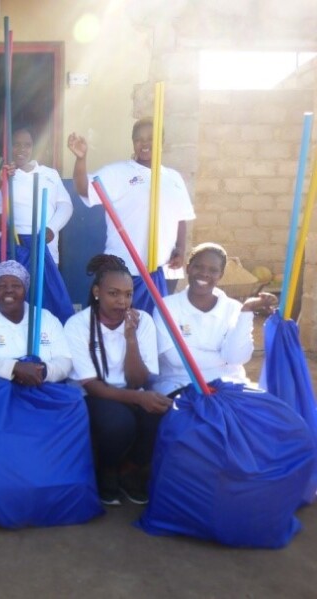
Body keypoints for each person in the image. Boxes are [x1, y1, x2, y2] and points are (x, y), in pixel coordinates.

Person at [64, 254, 171, 506]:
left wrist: (131, 339)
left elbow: (137, 380)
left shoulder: (141, 321)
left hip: (131, 389)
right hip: (94, 394)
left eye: (128, 294)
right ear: (97, 292)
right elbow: (90, 384)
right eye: (114, 293)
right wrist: (137, 398)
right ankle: (107, 468)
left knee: (161, 416)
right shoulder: (78, 325)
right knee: (118, 423)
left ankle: (130, 468)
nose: (122, 301)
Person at [67, 118, 196, 313]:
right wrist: (81, 159)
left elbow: (181, 216)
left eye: (151, 138)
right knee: (120, 327)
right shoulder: (118, 173)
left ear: (161, 141)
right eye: (139, 139)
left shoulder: (173, 178)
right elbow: (84, 189)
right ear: (133, 142)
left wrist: (180, 248)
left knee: (156, 327)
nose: (145, 144)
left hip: (163, 267)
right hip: (125, 270)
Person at [152, 243, 278, 396]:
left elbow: (237, 357)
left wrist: (246, 312)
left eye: (213, 270)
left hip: (230, 385)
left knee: (271, 416)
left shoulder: (234, 308)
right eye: (198, 267)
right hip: (181, 385)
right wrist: (224, 359)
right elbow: (176, 359)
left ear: (221, 275)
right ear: (188, 268)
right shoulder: (167, 307)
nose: (205, 274)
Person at [0, 126, 73, 271]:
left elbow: (65, 205)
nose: (22, 150)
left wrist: (52, 228)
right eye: (16, 144)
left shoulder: (50, 174)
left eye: (27, 145)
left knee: (41, 293)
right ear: (6, 145)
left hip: (44, 252)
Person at [0, 261, 71, 384]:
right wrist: (15, 368)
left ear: (25, 290)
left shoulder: (46, 318)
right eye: (1, 286)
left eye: (16, 286)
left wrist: (42, 371)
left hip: (43, 388)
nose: (9, 290)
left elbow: (65, 360)